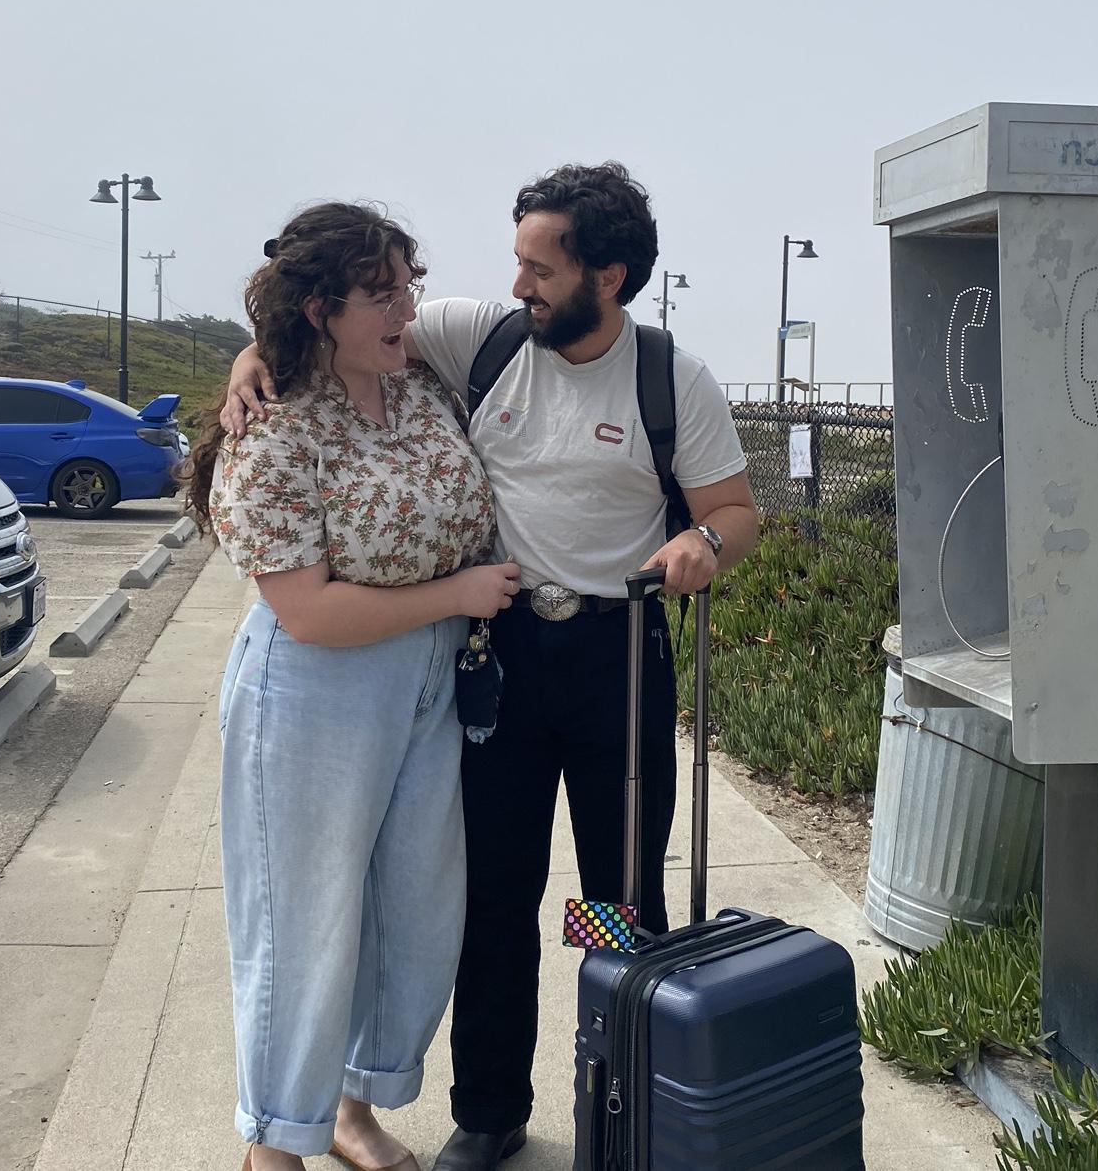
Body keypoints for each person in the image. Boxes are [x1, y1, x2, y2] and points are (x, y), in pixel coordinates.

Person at [224, 163, 758, 1169]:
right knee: (492, 897)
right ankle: (490, 1112)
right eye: (516, 262)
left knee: (618, 897)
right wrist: (248, 359)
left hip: (618, 657)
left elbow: (734, 513)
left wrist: (706, 549)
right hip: (500, 652)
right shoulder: (483, 337)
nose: (518, 284)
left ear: (611, 275)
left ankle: (619, 1108)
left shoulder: (669, 378)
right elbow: (320, 322)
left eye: (540, 268)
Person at [187, 202, 521, 1171]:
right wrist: (457, 591)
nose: (405, 307)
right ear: (320, 308)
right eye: (380, 292)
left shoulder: (415, 379)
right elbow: (306, 610)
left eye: (407, 284)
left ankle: (344, 1110)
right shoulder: (276, 424)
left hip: (425, 683)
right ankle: (273, 1145)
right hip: (316, 692)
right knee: (301, 922)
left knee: (405, 912)